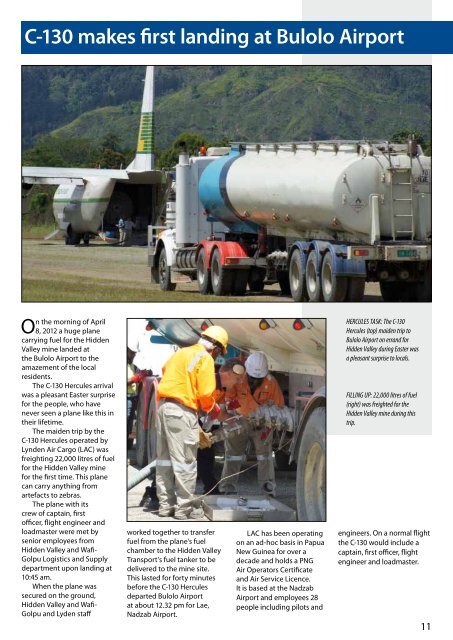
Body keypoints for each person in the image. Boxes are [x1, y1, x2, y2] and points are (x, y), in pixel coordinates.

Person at [156, 325, 229, 520]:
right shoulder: (204, 358)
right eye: (219, 352)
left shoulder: (182, 352)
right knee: (185, 463)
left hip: (163, 407)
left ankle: (166, 506)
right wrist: (213, 408)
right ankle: (184, 509)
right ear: (216, 348)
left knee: (164, 461)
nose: (217, 356)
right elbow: (205, 394)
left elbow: (165, 371)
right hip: (181, 411)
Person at [220, 351, 284, 497]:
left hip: (262, 424)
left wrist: (265, 414)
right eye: (252, 378)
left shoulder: (271, 382)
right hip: (238, 420)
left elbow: (279, 406)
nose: (255, 381)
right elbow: (228, 400)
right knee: (233, 455)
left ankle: (267, 488)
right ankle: (228, 487)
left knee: (265, 456)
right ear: (246, 371)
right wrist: (241, 409)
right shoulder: (238, 379)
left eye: (259, 378)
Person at [197, 358, 246, 494]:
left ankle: (210, 488)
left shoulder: (222, 390)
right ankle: (155, 491)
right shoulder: (208, 382)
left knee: (206, 453)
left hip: (202, 423)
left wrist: (234, 421)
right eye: (237, 378)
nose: (239, 382)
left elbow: (219, 413)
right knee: (180, 456)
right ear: (229, 374)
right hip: (190, 418)